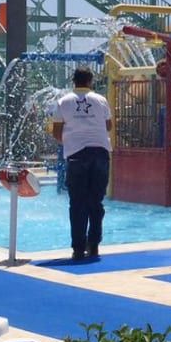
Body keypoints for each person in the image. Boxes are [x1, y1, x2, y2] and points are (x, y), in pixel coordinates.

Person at [50, 68, 112, 262]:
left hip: (76, 154)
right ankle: (93, 245)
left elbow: (56, 131)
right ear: (90, 81)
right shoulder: (101, 100)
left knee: (77, 203)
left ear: (73, 81)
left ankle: (78, 248)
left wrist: (71, 142)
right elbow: (108, 126)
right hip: (100, 152)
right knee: (96, 201)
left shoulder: (63, 101)